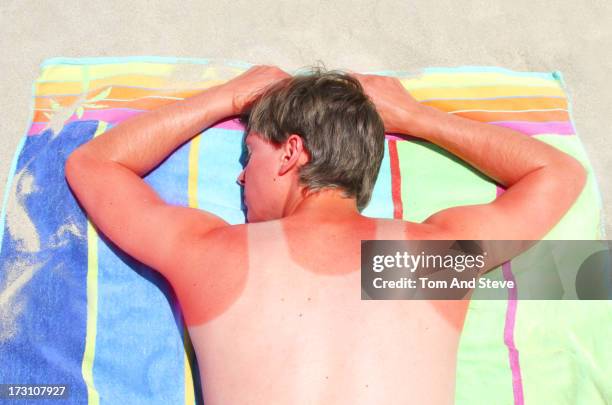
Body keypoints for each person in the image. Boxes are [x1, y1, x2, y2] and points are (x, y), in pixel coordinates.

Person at [65, 65, 586, 404]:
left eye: (251, 154)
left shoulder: (214, 255)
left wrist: (223, 98)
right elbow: (557, 174)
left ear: (291, 153)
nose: (241, 176)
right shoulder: (419, 262)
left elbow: (93, 164)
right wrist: (417, 117)